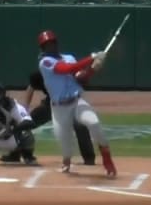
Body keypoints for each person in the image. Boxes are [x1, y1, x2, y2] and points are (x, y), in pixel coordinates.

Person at [36, 30, 116, 177]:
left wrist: (93, 69)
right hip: (59, 108)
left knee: (93, 123)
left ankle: (106, 157)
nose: (51, 46)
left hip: (76, 101)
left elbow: (80, 78)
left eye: (53, 43)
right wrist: (91, 58)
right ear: (43, 48)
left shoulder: (69, 57)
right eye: (47, 45)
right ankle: (66, 161)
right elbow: (66, 69)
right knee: (66, 146)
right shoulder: (45, 62)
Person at [1, 70, 95, 166]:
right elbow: (31, 88)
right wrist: (25, 108)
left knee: (80, 126)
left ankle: (89, 158)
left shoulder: (62, 76)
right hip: (50, 103)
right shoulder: (41, 75)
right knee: (25, 123)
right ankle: (15, 154)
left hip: (70, 103)